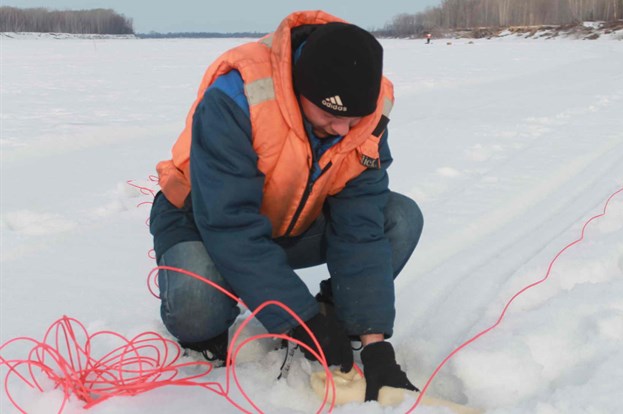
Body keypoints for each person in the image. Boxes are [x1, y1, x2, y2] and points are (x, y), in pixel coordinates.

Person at [149, 10, 422, 402]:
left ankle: (334, 310)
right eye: (330, 115)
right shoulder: (235, 98)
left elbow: (360, 227)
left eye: (353, 118)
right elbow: (230, 224)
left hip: (292, 222)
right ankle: (228, 308)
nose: (343, 130)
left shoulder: (365, 117)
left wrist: (376, 343)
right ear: (300, 89)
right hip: (202, 220)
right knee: (197, 310)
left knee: (399, 218)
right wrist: (298, 319)